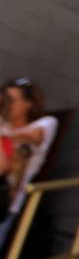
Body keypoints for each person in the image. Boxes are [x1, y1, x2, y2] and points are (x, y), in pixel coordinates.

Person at [0, 77, 59, 245]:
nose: (7, 105)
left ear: (29, 104)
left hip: (5, 203)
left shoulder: (45, 123)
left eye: (11, 100)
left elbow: (31, 136)